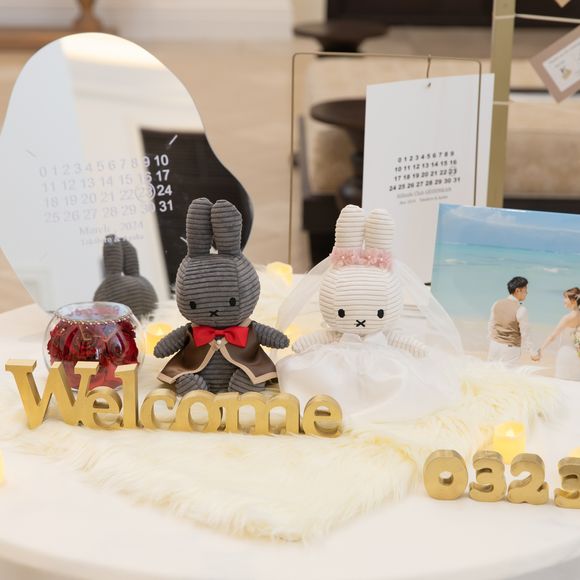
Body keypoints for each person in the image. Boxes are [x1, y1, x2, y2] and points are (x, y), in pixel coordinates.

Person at [488, 276, 539, 366]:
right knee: (509, 374)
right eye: (525, 289)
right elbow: (526, 334)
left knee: (491, 373)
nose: (527, 292)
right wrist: (533, 353)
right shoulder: (521, 310)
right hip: (510, 349)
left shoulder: (496, 303)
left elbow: (491, 325)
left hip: (494, 346)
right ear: (517, 290)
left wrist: (493, 340)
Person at [537, 287, 580, 381]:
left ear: (573, 300)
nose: (564, 300)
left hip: (566, 354)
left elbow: (553, 336)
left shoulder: (567, 318)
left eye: (566, 298)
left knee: (562, 382)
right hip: (577, 356)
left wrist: (541, 350)